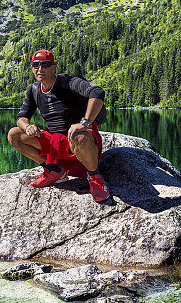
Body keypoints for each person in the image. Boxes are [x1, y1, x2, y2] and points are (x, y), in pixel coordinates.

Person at [7, 49, 110, 202]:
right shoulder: (34, 90)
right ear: (32, 68)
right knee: (14, 134)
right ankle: (54, 171)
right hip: (55, 143)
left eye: (45, 65)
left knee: (79, 136)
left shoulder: (69, 82)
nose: (40, 69)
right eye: (36, 65)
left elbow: (97, 92)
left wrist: (85, 123)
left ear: (54, 68)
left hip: (79, 139)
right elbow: (21, 117)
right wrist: (27, 127)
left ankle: (94, 177)